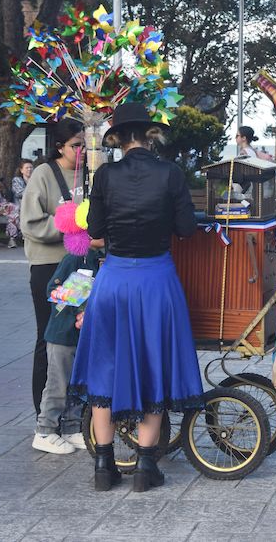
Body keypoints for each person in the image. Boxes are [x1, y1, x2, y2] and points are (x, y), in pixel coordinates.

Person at [69, 102, 202, 493]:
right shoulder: (170, 173)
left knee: (104, 370)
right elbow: (187, 229)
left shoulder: (105, 175)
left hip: (113, 280)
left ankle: (103, 466)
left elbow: (94, 228)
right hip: (156, 280)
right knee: (153, 367)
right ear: (150, 135)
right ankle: (145, 468)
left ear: (117, 138)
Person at [21, 120, 85, 417]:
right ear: (59, 146)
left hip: (82, 268)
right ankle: (43, 412)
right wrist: (69, 225)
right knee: (50, 335)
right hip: (49, 266)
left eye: (86, 144)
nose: (82, 150)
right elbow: (30, 223)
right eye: (76, 145)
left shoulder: (92, 173)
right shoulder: (43, 174)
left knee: (77, 334)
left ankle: (74, 412)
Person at [32, 248, 101, 455]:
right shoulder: (73, 259)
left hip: (80, 335)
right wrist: (79, 304)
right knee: (58, 384)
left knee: (76, 385)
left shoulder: (99, 259)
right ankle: (45, 430)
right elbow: (52, 291)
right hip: (62, 334)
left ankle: (72, 427)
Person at [6, 159, 33, 248]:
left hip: (33, 205)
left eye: (31, 167)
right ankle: (12, 238)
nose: (29, 169)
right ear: (21, 170)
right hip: (20, 205)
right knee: (15, 212)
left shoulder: (36, 180)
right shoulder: (17, 180)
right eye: (27, 168)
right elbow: (19, 193)